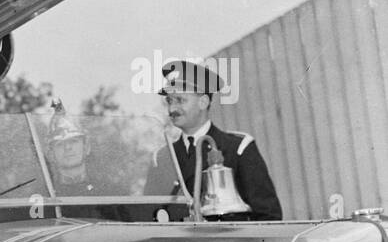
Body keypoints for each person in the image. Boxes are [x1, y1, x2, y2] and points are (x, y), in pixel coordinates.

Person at [146, 59, 282, 221]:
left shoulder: (238, 148)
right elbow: (148, 215)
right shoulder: (163, 157)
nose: (172, 109)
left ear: (203, 102)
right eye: (169, 101)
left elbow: (268, 216)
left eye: (180, 100)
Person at [45, 100, 130, 221]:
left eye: (73, 141)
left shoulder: (110, 194)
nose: (68, 148)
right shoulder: (44, 197)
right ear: (51, 154)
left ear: (86, 147)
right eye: (59, 144)